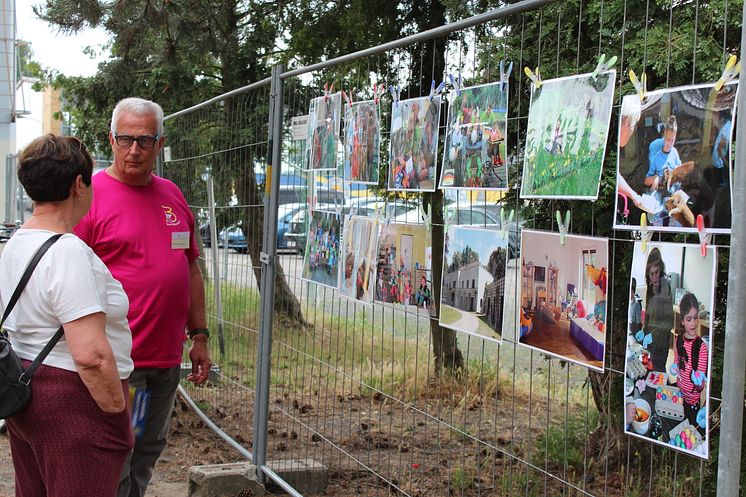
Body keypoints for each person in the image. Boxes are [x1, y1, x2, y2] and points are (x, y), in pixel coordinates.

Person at [74, 97, 211, 497]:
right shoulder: (88, 196)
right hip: (117, 363)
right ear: (111, 139)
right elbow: (68, 276)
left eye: (144, 140)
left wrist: (199, 336)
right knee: (117, 454)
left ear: (160, 143)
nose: (134, 150)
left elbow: (190, 269)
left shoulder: (172, 195)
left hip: (163, 361)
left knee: (147, 450)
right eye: (125, 139)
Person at [1, 135, 134, 496]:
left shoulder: (17, 242)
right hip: (74, 403)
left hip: (25, 390)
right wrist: (116, 417)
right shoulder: (68, 252)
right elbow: (91, 355)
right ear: (79, 184)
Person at [673, 293, 708, 432]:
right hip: (679, 395)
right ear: (682, 321)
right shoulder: (678, 340)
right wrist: (675, 367)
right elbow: (676, 362)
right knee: (677, 428)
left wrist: (699, 383)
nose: (693, 323)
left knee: (690, 431)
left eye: (695, 318)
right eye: (688, 319)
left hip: (693, 401)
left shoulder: (702, 348)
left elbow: (701, 387)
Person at [643, 248, 674, 372]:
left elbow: (668, 322)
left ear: (660, 271)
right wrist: (644, 332)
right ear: (648, 275)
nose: (655, 277)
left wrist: (653, 334)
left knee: (659, 372)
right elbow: (648, 315)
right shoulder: (649, 289)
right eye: (652, 274)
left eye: (657, 273)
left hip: (661, 343)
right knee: (650, 371)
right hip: (650, 342)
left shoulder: (666, 288)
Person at [645, 116, 682, 190]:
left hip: (673, 191)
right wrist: (656, 178)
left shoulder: (674, 152)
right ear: (664, 136)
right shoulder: (657, 156)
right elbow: (646, 181)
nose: (670, 144)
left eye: (673, 140)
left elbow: (680, 172)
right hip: (660, 191)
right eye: (668, 140)